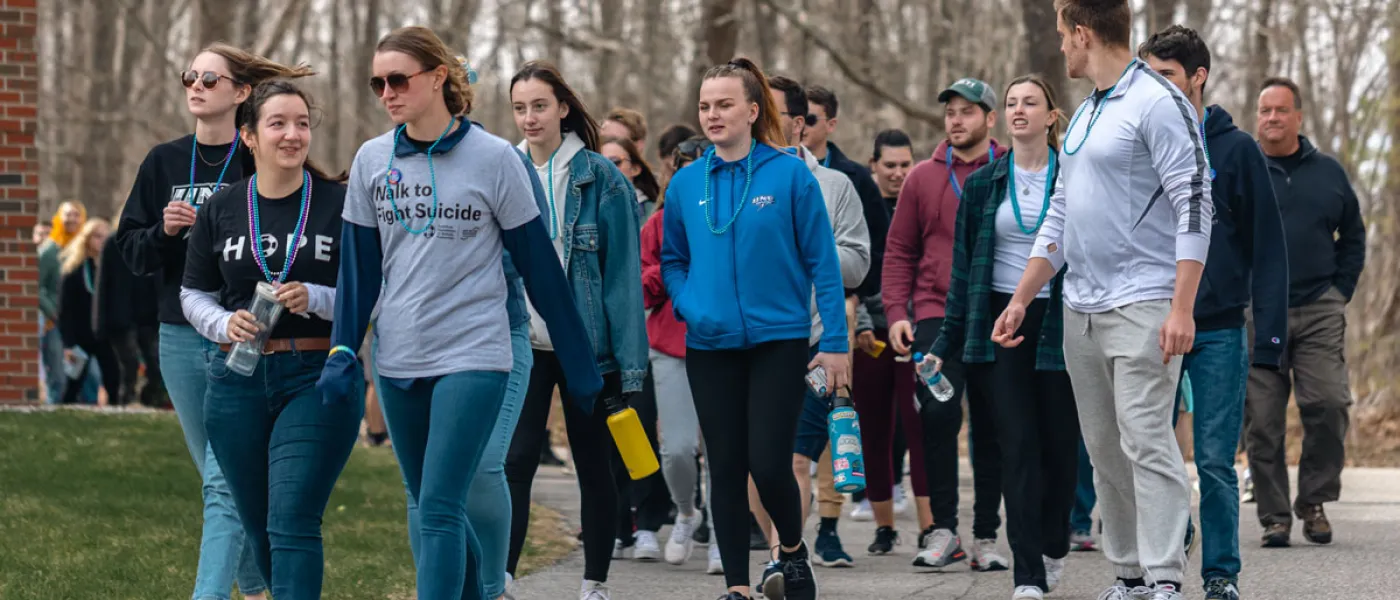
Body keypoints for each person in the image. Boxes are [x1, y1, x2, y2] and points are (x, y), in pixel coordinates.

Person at [318, 26, 603, 600]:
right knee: (425, 501)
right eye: (378, 83)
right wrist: (344, 347)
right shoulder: (373, 160)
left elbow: (540, 268)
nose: (387, 93)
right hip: (398, 356)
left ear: (438, 77)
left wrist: (578, 361)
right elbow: (359, 272)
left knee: (442, 505)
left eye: (398, 79)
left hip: (475, 352)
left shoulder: (496, 158)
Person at [994, 2, 1214, 598]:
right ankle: (1130, 574)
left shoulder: (1157, 103)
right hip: (1080, 310)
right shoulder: (1087, 112)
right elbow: (1059, 215)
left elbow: (1195, 203)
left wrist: (1181, 307)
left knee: (1146, 439)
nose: (1061, 48)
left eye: (1064, 36)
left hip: (1145, 303)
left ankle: (1166, 575)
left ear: (1084, 34)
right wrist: (1020, 298)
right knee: (1104, 450)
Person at [116, 43, 314, 600]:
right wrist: (164, 231)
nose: (196, 86)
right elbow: (130, 251)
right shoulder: (163, 161)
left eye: (210, 78)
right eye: (190, 77)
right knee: (222, 476)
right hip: (180, 335)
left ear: (241, 93)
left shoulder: (260, 156)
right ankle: (257, 587)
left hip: (246, 333)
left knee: (224, 483)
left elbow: (297, 229)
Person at [662, 57, 849, 600]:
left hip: (780, 342)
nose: (712, 115)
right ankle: (739, 587)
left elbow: (823, 264)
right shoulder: (685, 184)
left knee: (768, 461)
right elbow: (672, 259)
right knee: (724, 465)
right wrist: (689, 303)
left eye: (724, 104)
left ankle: (791, 551)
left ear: (751, 109)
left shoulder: (789, 174)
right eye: (704, 105)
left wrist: (834, 343)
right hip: (710, 344)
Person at [179, 79, 355, 600]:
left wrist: (317, 298)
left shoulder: (339, 203)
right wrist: (222, 324)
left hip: (315, 374)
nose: (293, 135)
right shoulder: (223, 207)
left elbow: (371, 292)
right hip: (237, 380)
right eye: (277, 123)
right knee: (258, 527)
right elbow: (193, 294)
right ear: (249, 136)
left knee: (292, 517)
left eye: (301, 123)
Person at [1141, 27, 1290, 600]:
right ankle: (1163, 553)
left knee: (1214, 459)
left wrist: (1271, 337)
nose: (1157, 89)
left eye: (1168, 76)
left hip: (1220, 327)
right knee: (1152, 453)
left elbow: (1268, 247)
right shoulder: (1142, 144)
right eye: (1149, 78)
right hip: (1151, 322)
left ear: (1197, 77)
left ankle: (1221, 573)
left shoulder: (1237, 150)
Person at [926, 75, 1077, 600]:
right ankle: (1027, 573)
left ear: (1051, 116)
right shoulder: (985, 183)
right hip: (999, 324)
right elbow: (963, 272)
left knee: (1061, 451)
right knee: (1018, 447)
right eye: (1011, 103)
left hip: (1061, 320)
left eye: (1030, 102)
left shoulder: (1074, 176)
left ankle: (1055, 541)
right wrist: (946, 343)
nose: (1018, 110)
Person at [503, 60, 648, 600]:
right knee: (514, 461)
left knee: (593, 463)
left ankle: (595, 583)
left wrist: (628, 366)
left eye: (539, 105)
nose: (529, 118)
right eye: (519, 108)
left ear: (563, 107)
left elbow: (621, 280)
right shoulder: (504, 167)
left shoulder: (601, 177)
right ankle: (506, 578)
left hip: (587, 347)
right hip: (524, 342)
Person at [882, 75, 1008, 572]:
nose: (956, 120)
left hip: (998, 315)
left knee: (994, 426)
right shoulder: (921, 178)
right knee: (935, 415)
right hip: (936, 314)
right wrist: (896, 312)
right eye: (950, 112)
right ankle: (942, 531)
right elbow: (899, 251)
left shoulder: (1009, 169)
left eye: (968, 112)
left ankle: (986, 536)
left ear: (989, 119)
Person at [747, 75, 868, 580]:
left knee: (796, 459)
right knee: (756, 466)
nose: (762, 126)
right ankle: (790, 549)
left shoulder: (835, 186)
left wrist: (804, 252)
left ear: (799, 125)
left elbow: (859, 262)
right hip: (750, 340)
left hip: (816, 340)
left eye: (773, 116)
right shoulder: (737, 180)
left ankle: (781, 561)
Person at [1248, 76, 1364, 549]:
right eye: (1264, 110)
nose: (1271, 118)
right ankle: (1275, 517)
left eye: (1280, 110)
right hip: (1261, 312)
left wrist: (1339, 292)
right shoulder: (1244, 167)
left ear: (1298, 116)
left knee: (1329, 403)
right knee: (1262, 419)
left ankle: (1313, 501)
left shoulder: (1329, 173)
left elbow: (1353, 238)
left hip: (1318, 308)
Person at [640, 135, 724, 575]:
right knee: (675, 450)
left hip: (726, 342)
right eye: (684, 169)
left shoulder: (731, 213)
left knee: (722, 448)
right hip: (671, 345)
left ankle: (719, 535)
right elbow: (640, 282)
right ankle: (686, 513)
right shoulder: (656, 225)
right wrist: (672, 270)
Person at [852, 128, 932, 551]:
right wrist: (862, 321)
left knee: (919, 425)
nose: (899, 173)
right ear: (874, 166)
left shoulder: (921, 200)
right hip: (871, 331)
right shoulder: (864, 205)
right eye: (890, 166)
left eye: (906, 165)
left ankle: (929, 528)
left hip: (915, 327)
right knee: (874, 428)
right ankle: (884, 527)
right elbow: (853, 270)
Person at [804, 86, 890, 302]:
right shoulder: (774, 172)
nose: (801, 125)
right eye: (796, 117)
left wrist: (854, 296)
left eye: (810, 119)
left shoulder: (857, 179)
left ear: (831, 124)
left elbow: (878, 247)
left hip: (844, 299)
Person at [98, 224, 163, 407]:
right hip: (122, 317)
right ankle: (126, 402)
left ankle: (149, 400)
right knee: (129, 364)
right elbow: (103, 283)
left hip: (149, 315)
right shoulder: (113, 242)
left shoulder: (155, 240)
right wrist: (100, 322)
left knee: (156, 363)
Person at [57, 218, 122, 405]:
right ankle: (61, 413)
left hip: (104, 334)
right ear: (86, 239)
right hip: (79, 337)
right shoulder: (73, 271)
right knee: (73, 382)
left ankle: (116, 413)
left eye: (105, 237)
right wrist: (68, 344)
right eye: (97, 237)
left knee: (113, 379)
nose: (102, 241)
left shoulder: (113, 269)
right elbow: (65, 310)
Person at [36, 221, 64, 404]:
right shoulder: (49, 252)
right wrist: (52, 311)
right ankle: (52, 406)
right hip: (53, 320)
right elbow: (35, 285)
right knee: (56, 371)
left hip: (75, 319)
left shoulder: (79, 246)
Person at [601, 136, 662, 219]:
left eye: (615, 162)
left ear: (635, 169)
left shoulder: (654, 214)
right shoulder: (584, 213)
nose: (606, 169)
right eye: (600, 164)